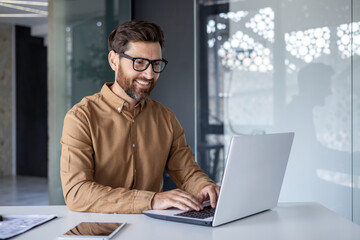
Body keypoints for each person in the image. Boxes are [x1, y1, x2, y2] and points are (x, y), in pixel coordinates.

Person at [60, 20, 220, 214]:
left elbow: (187, 172)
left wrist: (204, 186)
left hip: (150, 229)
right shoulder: (81, 117)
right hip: (98, 229)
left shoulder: (166, 118)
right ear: (114, 61)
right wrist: (151, 200)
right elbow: (76, 193)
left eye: (156, 64)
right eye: (140, 62)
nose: (150, 74)